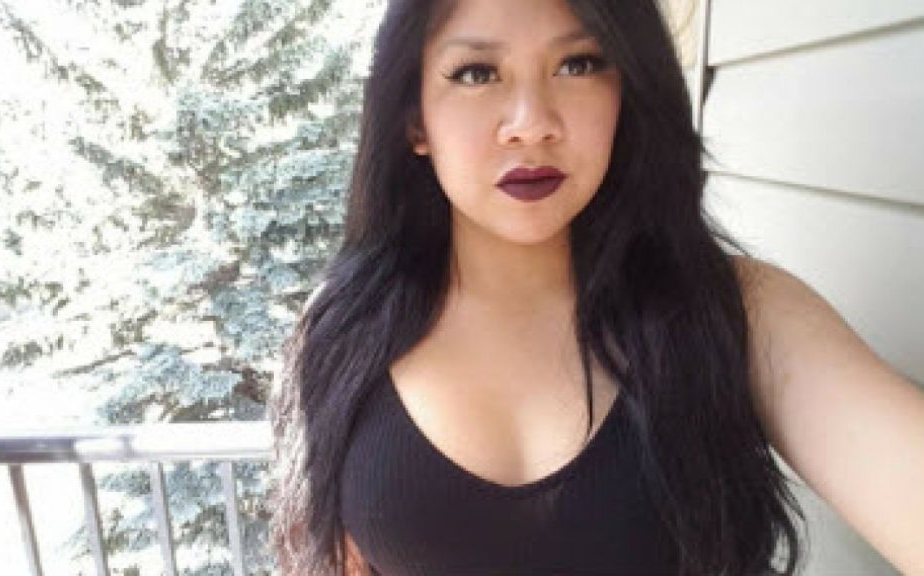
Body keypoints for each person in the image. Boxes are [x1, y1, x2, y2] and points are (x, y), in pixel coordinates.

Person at [267, 0, 924, 574]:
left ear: (626, 91)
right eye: (476, 73)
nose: (531, 123)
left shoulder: (741, 313)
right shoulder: (342, 329)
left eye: (578, 64)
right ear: (414, 119)